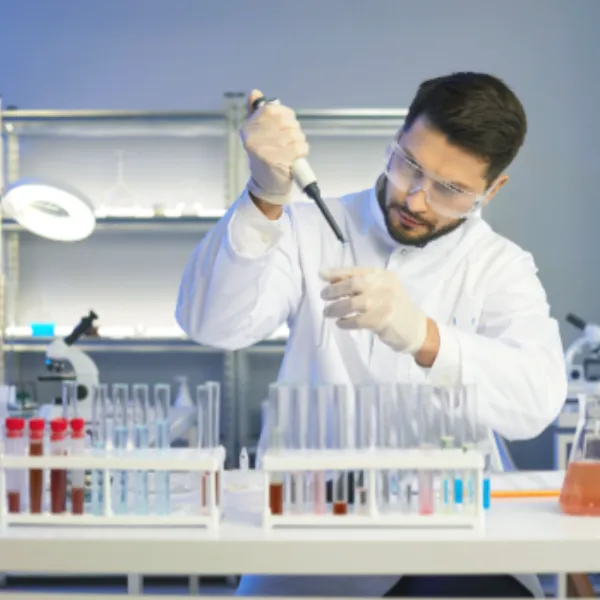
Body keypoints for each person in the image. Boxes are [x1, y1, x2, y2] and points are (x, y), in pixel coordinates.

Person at [176, 72, 567, 598]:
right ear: (396, 139)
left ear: (492, 189)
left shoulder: (500, 266)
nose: (418, 198)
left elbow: (536, 401)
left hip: (455, 544)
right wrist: (264, 198)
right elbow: (212, 324)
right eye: (410, 166)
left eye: (451, 189)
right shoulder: (307, 226)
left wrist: (425, 337)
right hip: (312, 533)